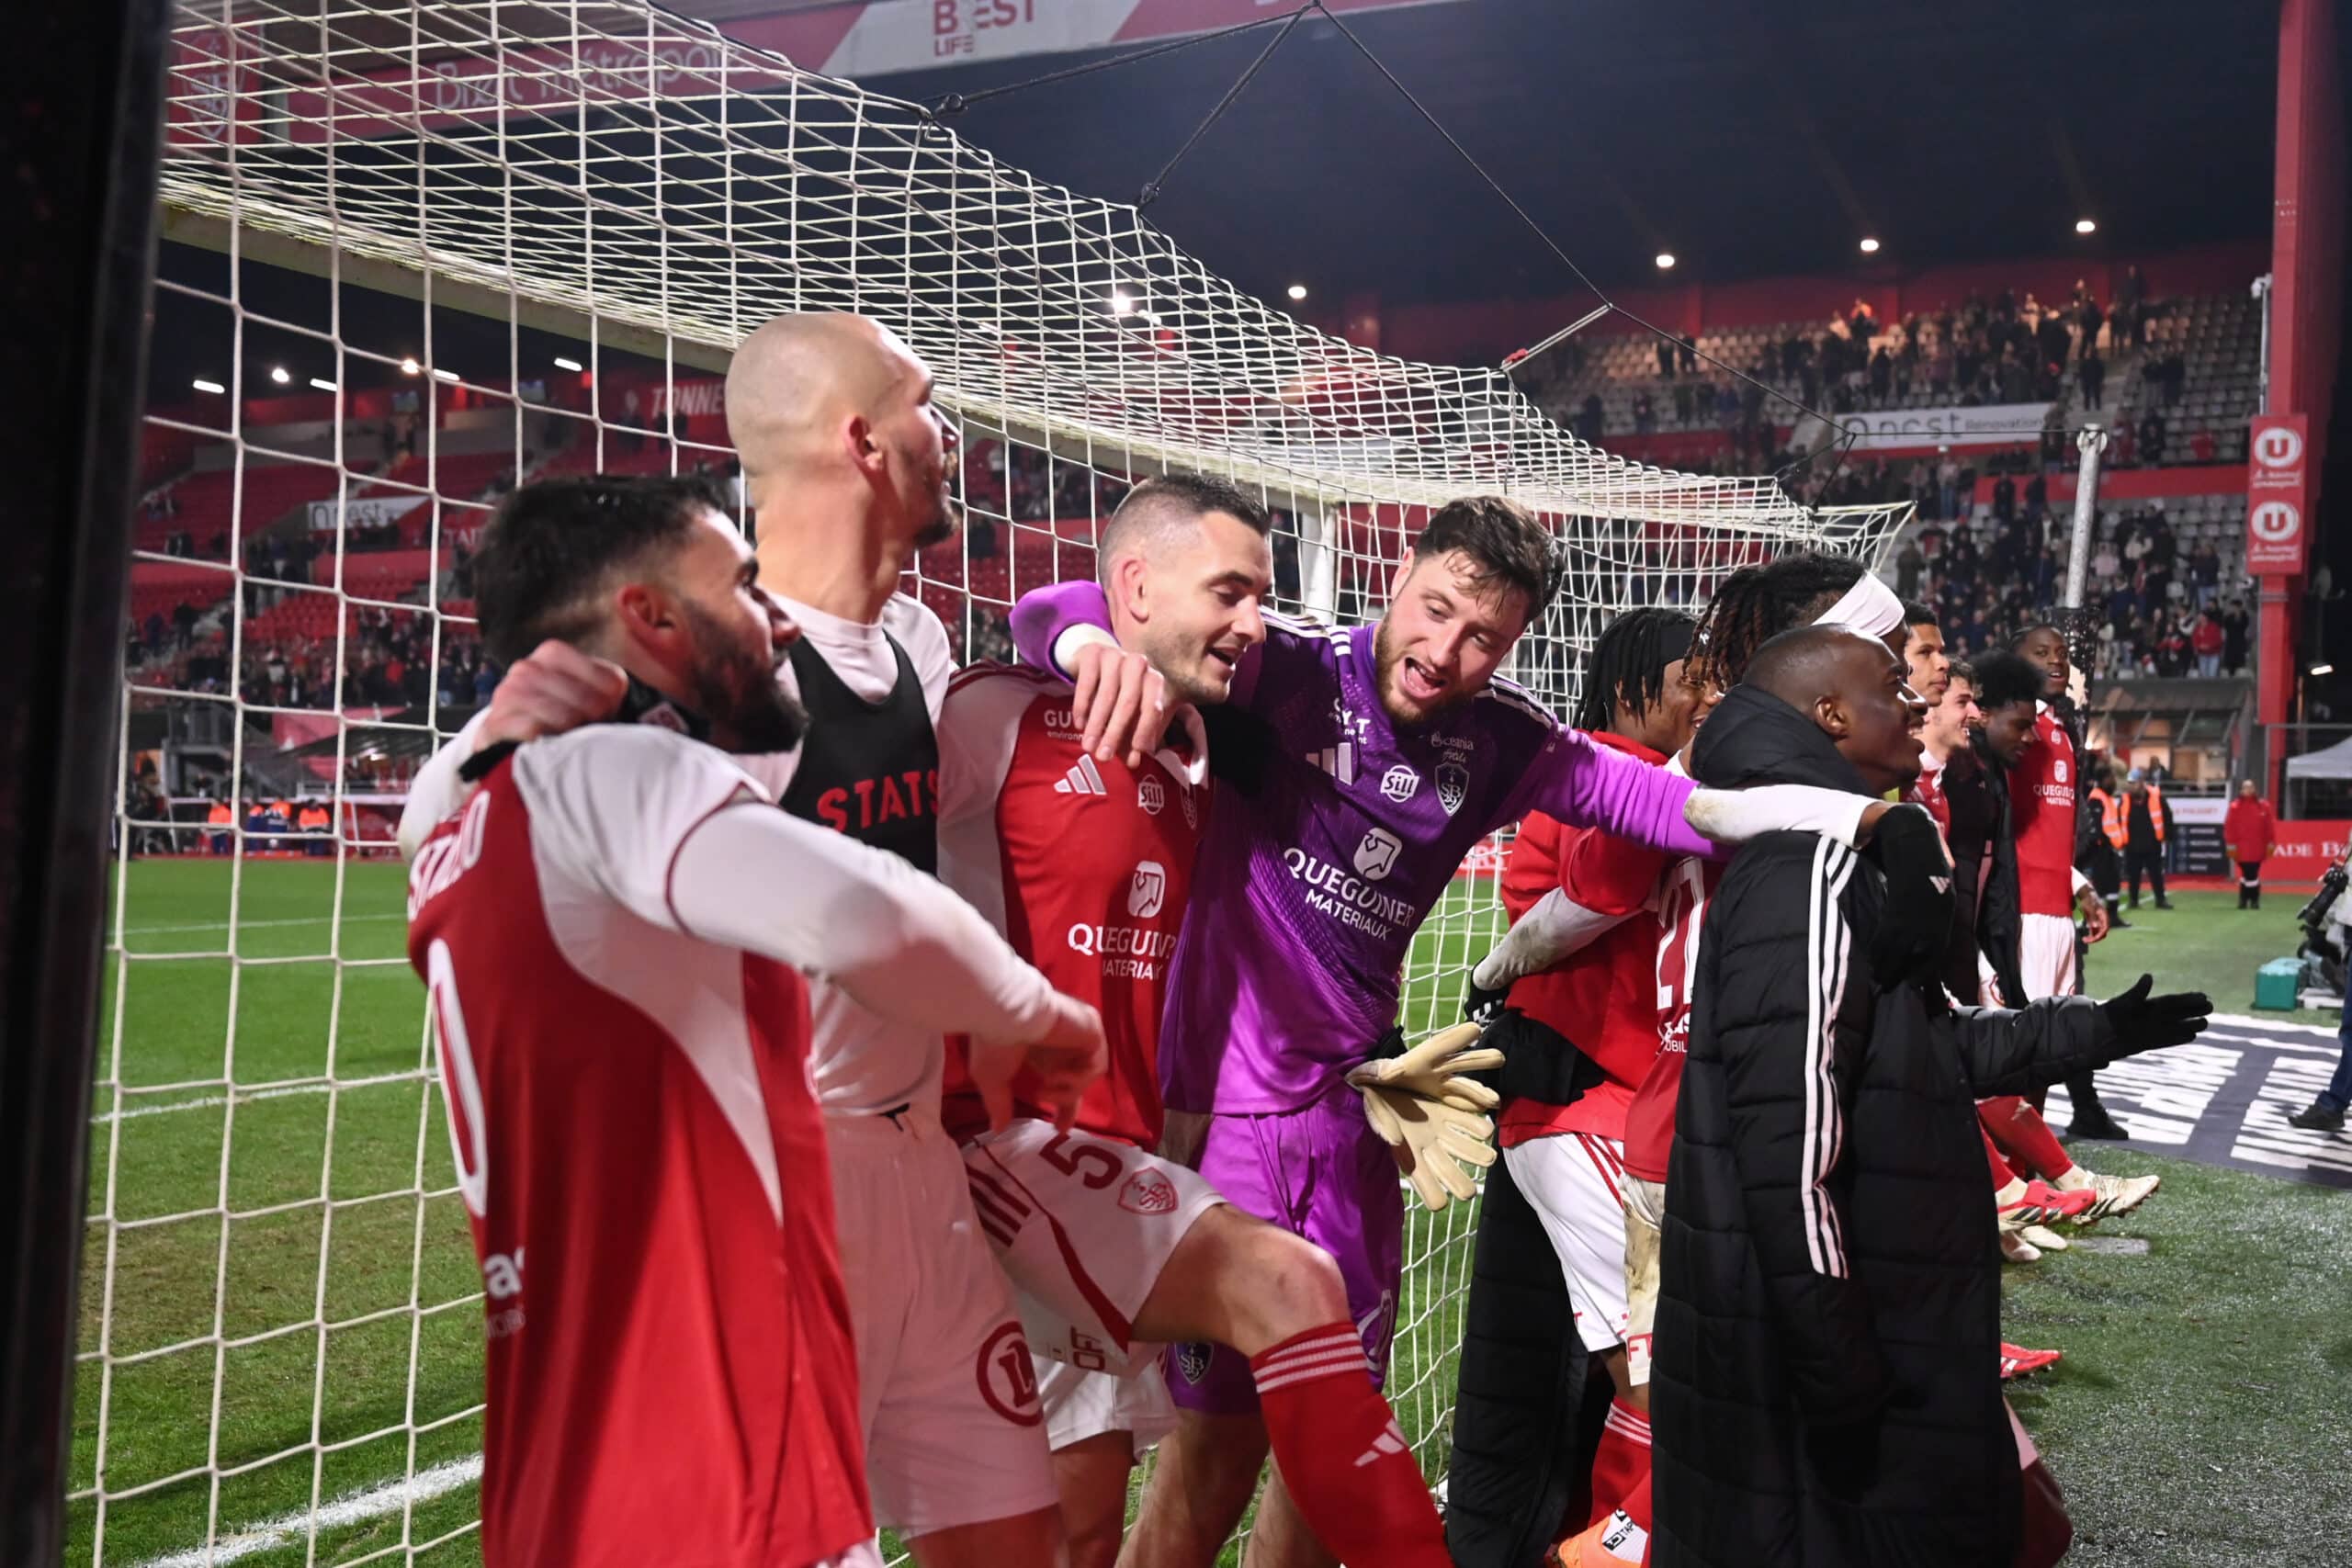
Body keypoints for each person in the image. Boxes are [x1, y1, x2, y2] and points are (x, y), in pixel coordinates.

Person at [1008, 512, 1942, 1568]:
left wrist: (1863, 822)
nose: (1444, 652)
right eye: (1436, 610)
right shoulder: (1287, 673)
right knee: (1214, 1456)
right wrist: (1084, 642)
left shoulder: (1502, 740)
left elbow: (1678, 808)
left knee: (1332, 1457)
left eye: (1483, 637)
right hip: (1222, 1122)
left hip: (1355, 1123)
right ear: (1397, 578)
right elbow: (1058, 607)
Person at [399, 313, 1152, 1562]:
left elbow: (1044, 612)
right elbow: (479, 805)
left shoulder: (911, 642)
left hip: (927, 1171)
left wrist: (1076, 631)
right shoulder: (704, 674)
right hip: (786, 1181)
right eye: (924, 404)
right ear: (862, 442)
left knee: (1024, 1534)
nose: (951, 434)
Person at [931, 476, 1453, 1568]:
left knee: (1085, 1527)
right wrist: (1072, 635)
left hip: (1112, 1172)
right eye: (1229, 592)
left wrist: (1362, 1054)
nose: (1253, 623)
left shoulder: (1202, 752)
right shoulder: (991, 715)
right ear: (1133, 587)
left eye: (1261, 595)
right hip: (987, 1170)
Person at [1646, 622, 2213, 1568]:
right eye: (1892, 685)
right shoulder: (1808, 871)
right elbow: (1788, 1155)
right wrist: (1841, 1365)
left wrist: (2093, 1030)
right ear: (1831, 714)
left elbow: (1926, 1045)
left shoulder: (1837, 859)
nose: (1919, 702)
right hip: (1825, 1364)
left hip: (1854, 1335)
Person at [1442, 608, 1703, 1568]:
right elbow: (1594, 894)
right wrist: (1495, 968)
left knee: (1606, 1364)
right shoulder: (1605, 779)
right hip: (1583, 1101)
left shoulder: (1648, 777)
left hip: (1613, 1103)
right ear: (1632, 686)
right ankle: (1616, 1543)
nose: (1703, 695)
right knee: (1659, 1363)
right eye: (1689, 678)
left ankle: (1597, 1536)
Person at [2009, 624, 2128, 1140]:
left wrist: (2080, 887)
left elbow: (2049, 835)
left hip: (2059, 914)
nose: (2056, 661)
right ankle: (2005, 1173)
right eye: (2041, 653)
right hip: (2023, 914)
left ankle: (2025, 1165)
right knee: (2021, 1052)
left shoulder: (2060, 733)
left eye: (2061, 653)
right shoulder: (2011, 731)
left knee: (2050, 1049)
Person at [2121, 769, 2172, 910]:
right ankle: (2133, 900)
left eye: (2133, 783)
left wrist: (2168, 835)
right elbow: (2120, 819)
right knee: (2133, 875)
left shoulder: (2156, 796)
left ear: (2141, 782)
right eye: (2129, 783)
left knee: (2156, 874)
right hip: (2132, 844)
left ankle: (2160, 900)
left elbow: (2167, 815)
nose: (2131, 786)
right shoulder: (2125, 799)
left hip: (2152, 843)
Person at [2224, 778, 2277, 909]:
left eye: (2250, 787)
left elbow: (2269, 827)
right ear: (2241, 790)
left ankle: (2246, 900)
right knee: (2249, 874)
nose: (2248, 790)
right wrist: (2230, 846)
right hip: (2240, 848)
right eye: (2245, 788)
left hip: (2258, 847)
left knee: (2250, 874)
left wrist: (2271, 844)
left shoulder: (2263, 806)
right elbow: (2229, 827)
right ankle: (2251, 900)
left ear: (2254, 789)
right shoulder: (2235, 807)